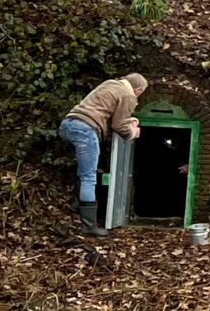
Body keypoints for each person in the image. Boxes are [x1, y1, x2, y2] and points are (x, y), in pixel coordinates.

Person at [61, 72, 147, 234]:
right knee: (89, 177)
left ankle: (78, 203)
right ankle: (89, 226)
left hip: (68, 125)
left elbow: (107, 112)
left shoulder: (110, 83)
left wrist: (130, 121)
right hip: (86, 129)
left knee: (84, 168)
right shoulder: (129, 95)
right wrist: (133, 133)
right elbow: (119, 125)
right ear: (138, 90)